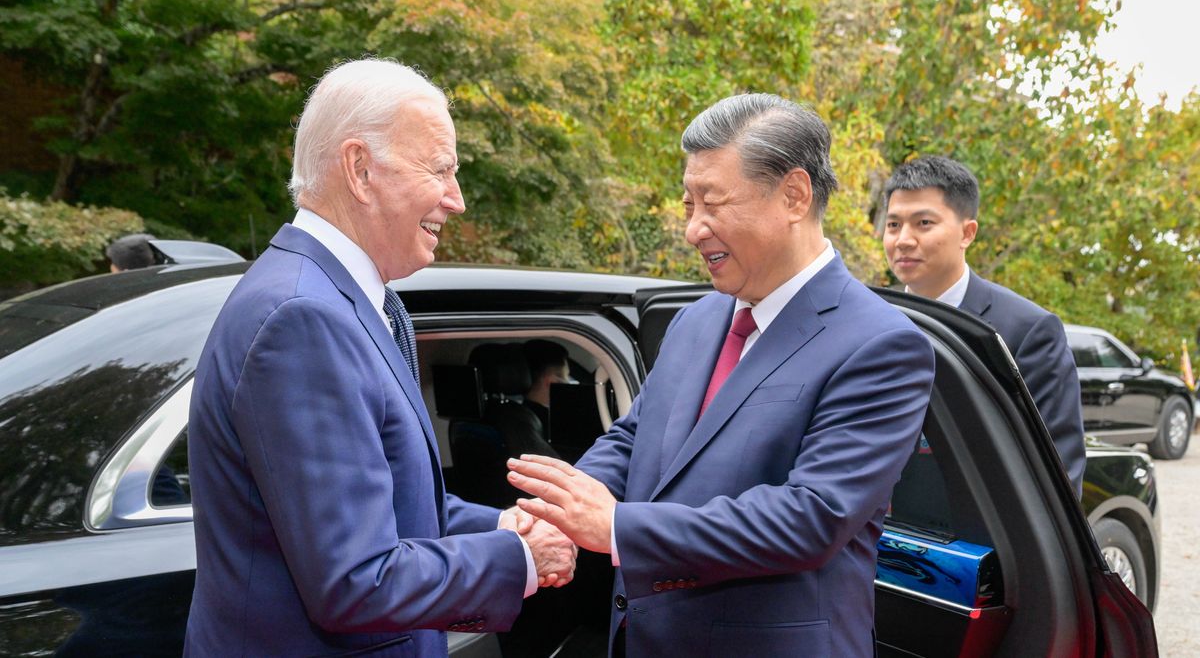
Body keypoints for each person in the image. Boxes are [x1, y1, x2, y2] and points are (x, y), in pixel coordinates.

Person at [507, 94, 935, 657]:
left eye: (712, 202)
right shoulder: (697, 319)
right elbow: (638, 438)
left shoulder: (881, 344)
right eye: (688, 205)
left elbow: (811, 516)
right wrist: (559, 511)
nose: (693, 229)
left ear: (794, 196)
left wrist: (615, 527)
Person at [185, 59, 575, 657]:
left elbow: (396, 501)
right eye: (440, 169)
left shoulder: (355, 300)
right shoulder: (304, 319)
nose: (457, 199)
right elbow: (354, 581)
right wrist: (521, 556)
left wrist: (499, 525)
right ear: (360, 169)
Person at [881, 155, 1085, 496]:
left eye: (924, 223)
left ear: (967, 233)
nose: (903, 239)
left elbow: (1058, 474)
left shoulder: (1028, 331)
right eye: (893, 225)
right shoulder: (872, 316)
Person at [522, 339, 570, 435]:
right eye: (567, 376)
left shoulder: (518, 415)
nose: (568, 382)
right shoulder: (555, 426)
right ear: (552, 382)